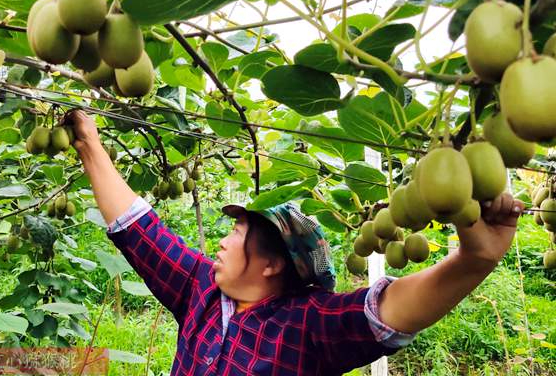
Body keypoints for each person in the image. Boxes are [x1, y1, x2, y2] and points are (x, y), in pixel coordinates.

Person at [66, 109, 525, 375]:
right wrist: (89, 143)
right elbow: (138, 227)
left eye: (237, 233)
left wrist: (475, 259)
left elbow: (389, 311)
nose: (222, 245)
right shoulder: (200, 289)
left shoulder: (306, 326)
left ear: (272, 264)